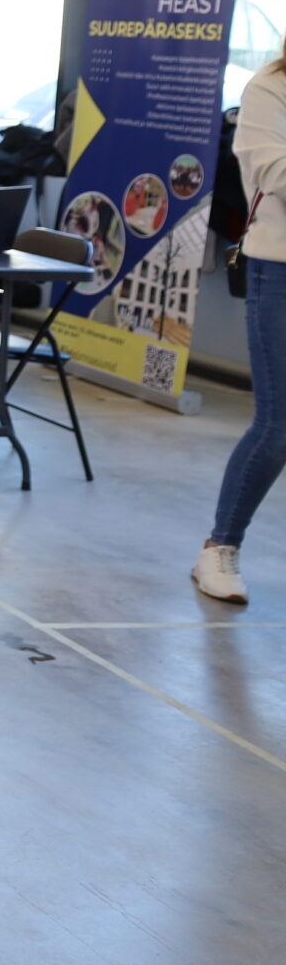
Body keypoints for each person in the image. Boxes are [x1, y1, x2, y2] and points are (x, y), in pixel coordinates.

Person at [199, 41, 286, 605]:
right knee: (278, 426)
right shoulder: (269, 88)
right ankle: (220, 547)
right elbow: (273, 172)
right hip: (278, 270)